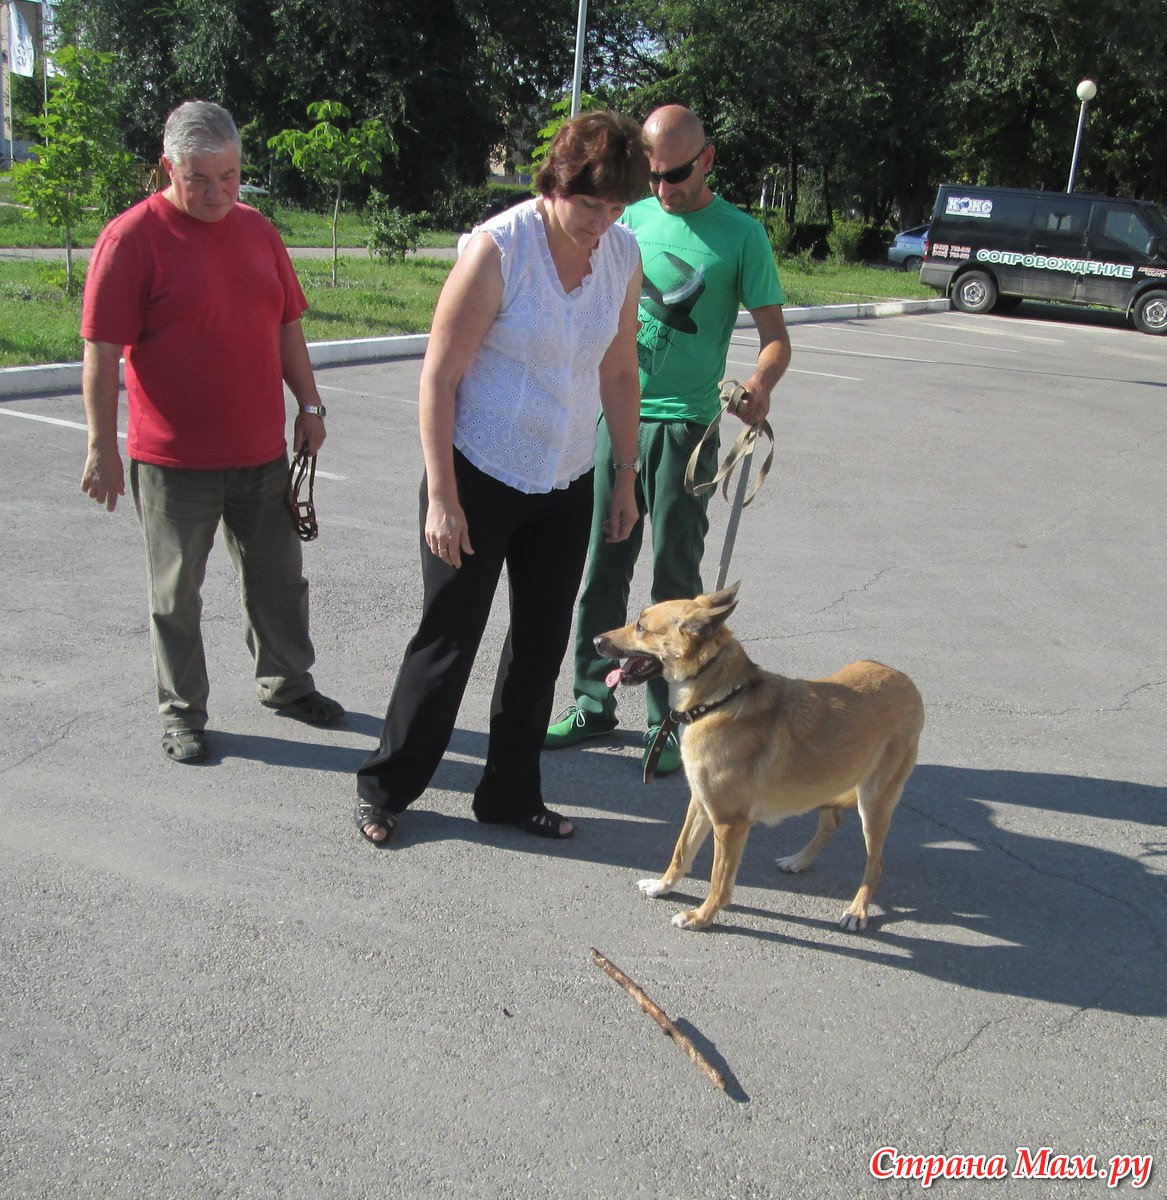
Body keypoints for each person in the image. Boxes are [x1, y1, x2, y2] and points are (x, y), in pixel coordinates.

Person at [355, 111, 648, 846]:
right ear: (554, 182)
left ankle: (510, 795)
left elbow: (617, 370)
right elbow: (438, 377)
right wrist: (442, 496)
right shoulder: (500, 250)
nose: (600, 223)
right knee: (448, 638)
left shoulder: (621, 256)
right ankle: (386, 788)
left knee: (541, 644)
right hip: (477, 474)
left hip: (565, 477)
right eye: (590, 205)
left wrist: (623, 478)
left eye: (616, 208)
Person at [80, 100, 343, 765]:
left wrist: (309, 407)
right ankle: (183, 714)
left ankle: (286, 683)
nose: (218, 192)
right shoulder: (132, 238)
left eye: (229, 176)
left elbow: (287, 326)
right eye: (200, 178)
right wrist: (100, 446)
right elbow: (101, 350)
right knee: (175, 596)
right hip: (172, 463)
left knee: (279, 581)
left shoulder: (258, 232)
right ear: (167, 167)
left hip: (260, 455)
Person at [545, 104, 792, 776]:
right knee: (602, 563)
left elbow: (775, 339)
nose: (662, 188)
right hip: (614, 417)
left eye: (676, 174)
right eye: (651, 174)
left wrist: (756, 385)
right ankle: (591, 703)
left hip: (687, 426)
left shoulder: (740, 235)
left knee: (677, 583)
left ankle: (669, 719)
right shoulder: (626, 217)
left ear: (707, 159)